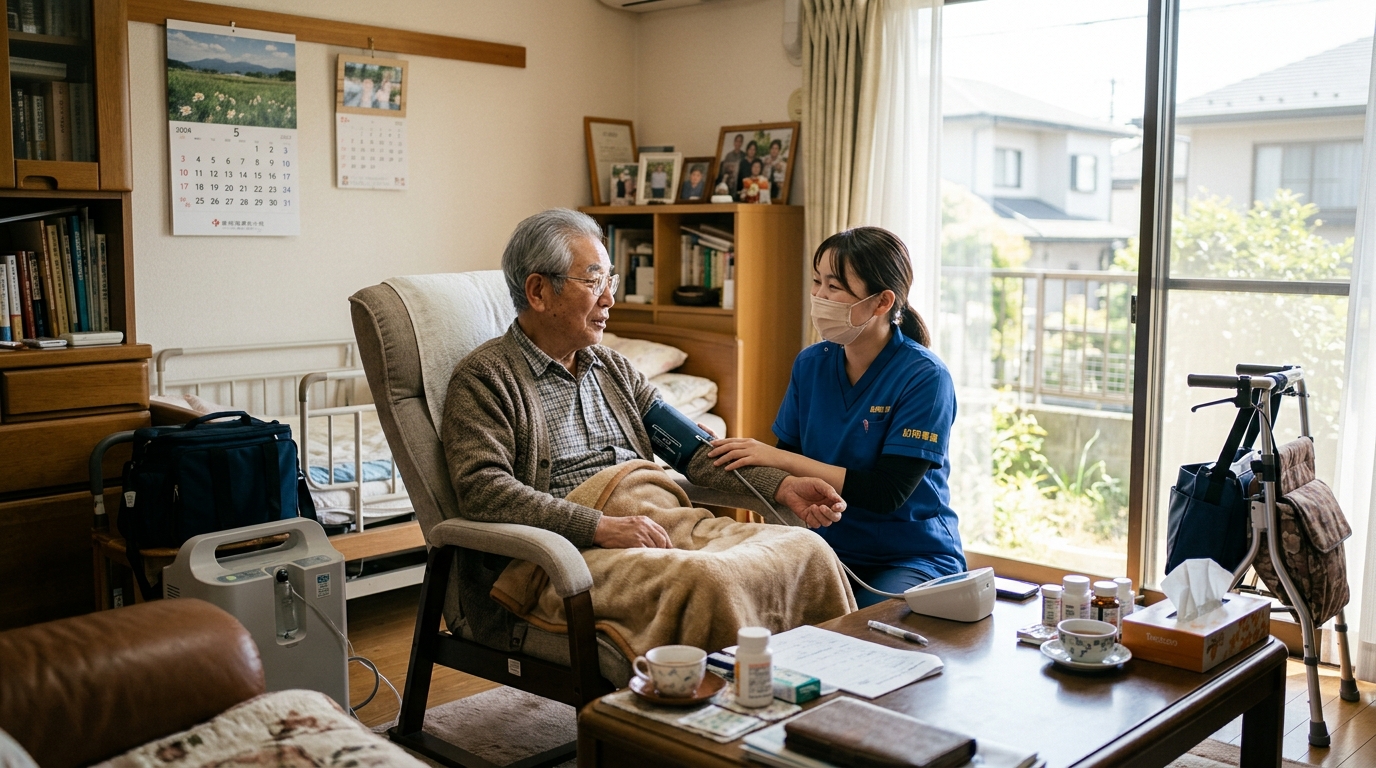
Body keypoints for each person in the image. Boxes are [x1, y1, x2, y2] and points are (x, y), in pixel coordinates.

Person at [441, 209, 848, 646]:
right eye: (594, 281)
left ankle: (828, 693)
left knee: (807, 551)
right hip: (569, 555)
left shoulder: (614, 369)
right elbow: (484, 489)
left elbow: (694, 450)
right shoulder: (485, 378)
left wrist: (781, 486)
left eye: (609, 281)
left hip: (661, 524)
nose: (609, 300)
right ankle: (734, 705)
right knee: (710, 579)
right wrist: (598, 525)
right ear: (538, 291)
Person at [707, 226, 964, 608]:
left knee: (859, 627)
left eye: (835, 287)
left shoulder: (924, 377)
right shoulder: (812, 363)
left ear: (881, 302)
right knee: (736, 596)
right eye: (817, 282)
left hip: (910, 555)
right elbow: (788, 466)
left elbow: (886, 492)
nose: (818, 297)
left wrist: (775, 457)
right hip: (823, 546)